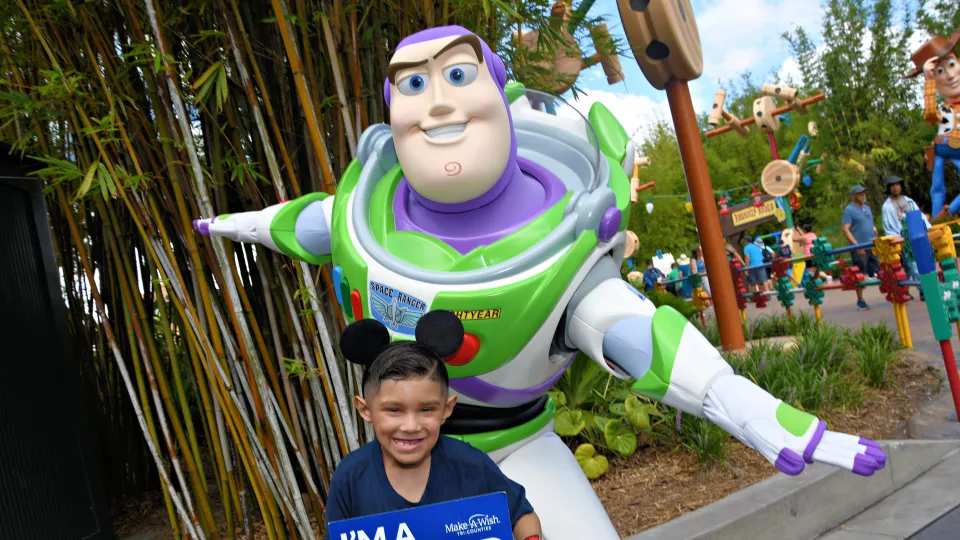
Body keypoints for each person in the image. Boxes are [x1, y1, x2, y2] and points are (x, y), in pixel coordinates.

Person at [325, 312, 542, 540]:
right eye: (394, 410)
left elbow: (522, 516)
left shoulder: (471, 465)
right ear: (365, 410)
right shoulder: (350, 478)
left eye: (426, 409)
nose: (410, 426)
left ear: (446, 410)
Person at [905, 31, 960, 221]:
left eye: (952, 64)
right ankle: (939, 218)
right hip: (945, 146)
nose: (950, 75)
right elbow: (930, 115)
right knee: (937, 187)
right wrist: (928, 81)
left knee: (937, 187)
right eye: (939, 71)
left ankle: (943, 215)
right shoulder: (945, 110)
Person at [881, 176, 929, 300]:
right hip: (902, 238)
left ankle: (906, 289)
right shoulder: (887, 207)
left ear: (901, 186)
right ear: (889, 188)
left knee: (912, 264)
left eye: (897, 184)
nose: (895, 187)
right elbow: (888, 225)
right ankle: (922, 289)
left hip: (915, 235)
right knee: (910, 265)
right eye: (892, 185)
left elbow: (919, 216)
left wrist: (927, 228)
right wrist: (897, 239)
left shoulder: (909, 201)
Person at [842, 185, 880, 310]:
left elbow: (868, 223)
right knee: (859, 274)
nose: (863, 195)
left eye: (864, 193)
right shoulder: (849, 210)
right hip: (860, 246)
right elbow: (846, 229)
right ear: (853, 196)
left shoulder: (867, 208)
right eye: (860, 193)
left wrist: (873, 229)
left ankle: (893, 292)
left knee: (879, 270)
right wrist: (856, 245)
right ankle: (860, 299)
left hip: (872, 244)